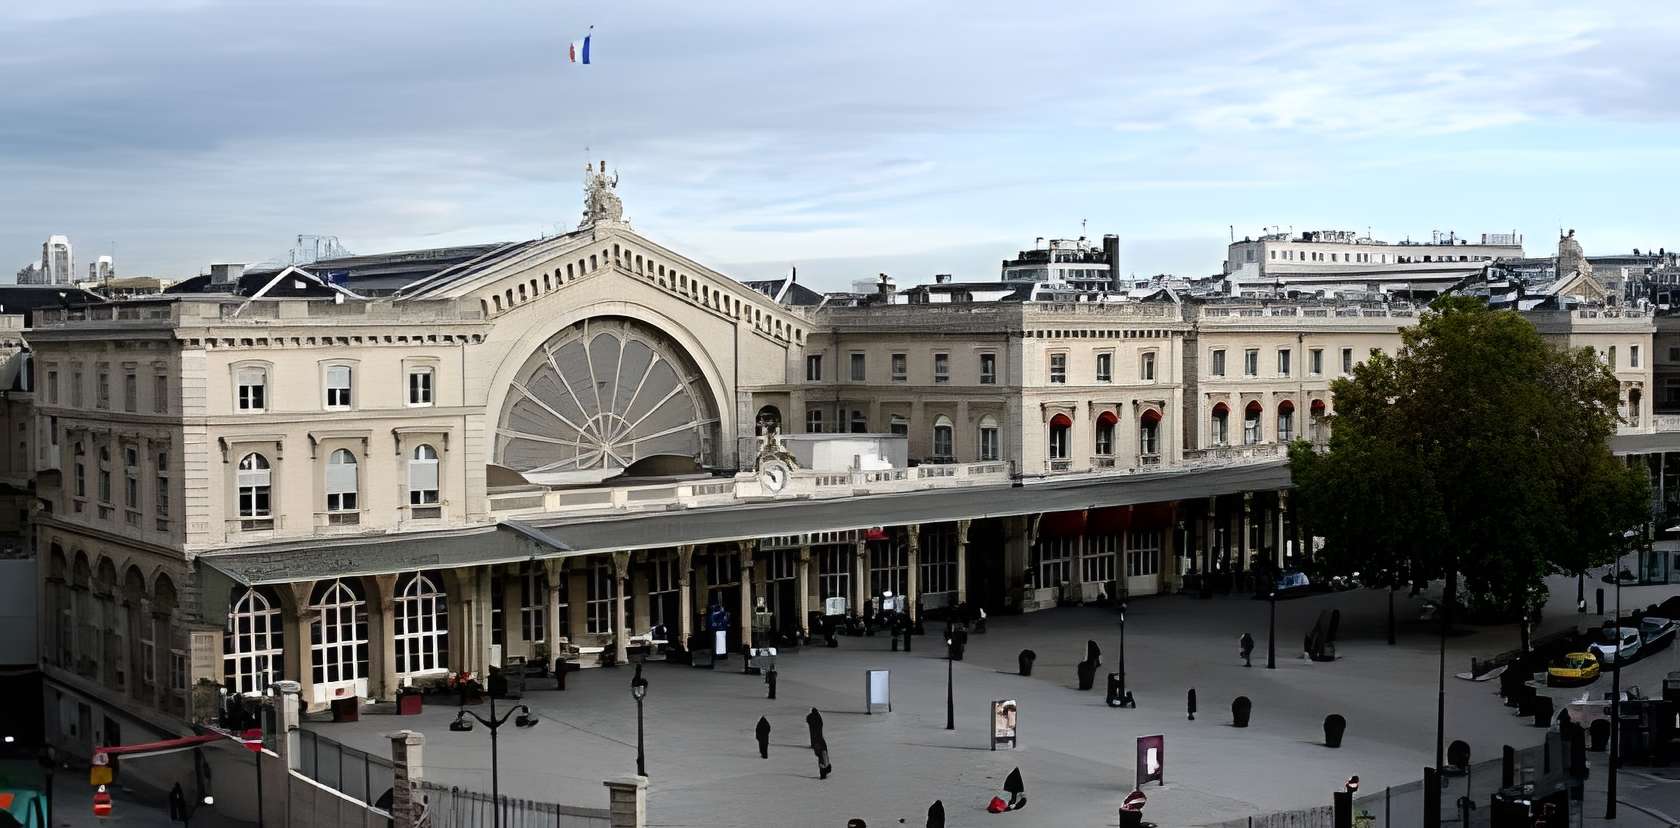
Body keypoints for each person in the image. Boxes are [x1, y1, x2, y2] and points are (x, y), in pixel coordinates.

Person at [806, 707, 832, 779]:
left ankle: (824, 769)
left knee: (821, 755)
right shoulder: (818, 718)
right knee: (823, 754)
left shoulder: (811, 717)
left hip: (816, 741)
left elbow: (807, 719)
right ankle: (824, 770)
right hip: (819, 739)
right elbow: (820, 724)